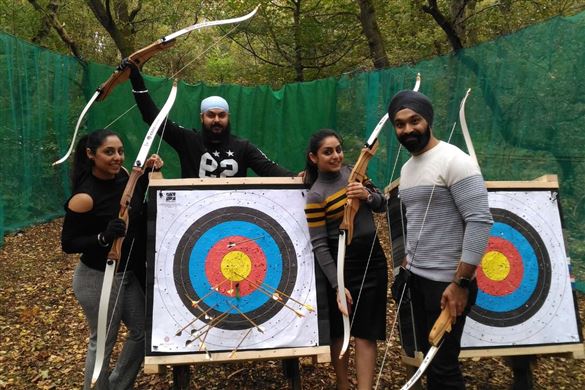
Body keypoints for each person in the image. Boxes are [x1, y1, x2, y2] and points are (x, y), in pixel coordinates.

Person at [387, 90, 493, 389]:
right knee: (430, 365)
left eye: (414, 120)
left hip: (448, 284)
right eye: (399, 124)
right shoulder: (408, 169)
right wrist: (410, 258)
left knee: (443, 368)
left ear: (427, 120)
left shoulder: (455, 161)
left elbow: (479, 220)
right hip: (418, 280)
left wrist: (461, 283)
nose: (407, 129)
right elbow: (418, 219)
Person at [61, 129, 163, 389]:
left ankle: (118, 385)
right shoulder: (84, 197)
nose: (117, 157)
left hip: (126, 276)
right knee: (104, 341)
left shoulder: (126, 177)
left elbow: (135, 201)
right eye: (109, 152)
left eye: (119, 151)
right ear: (90, 154)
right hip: (97, 278)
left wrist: (149, 174)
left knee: (143, 333)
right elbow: (69, 243)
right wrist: (103, 237)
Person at [303, 129, 388, 390]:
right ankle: (343, 385)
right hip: (341, 263)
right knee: (341, 331)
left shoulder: (355, 172)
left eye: (338, 149)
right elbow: (319, 243)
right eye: (328, 152)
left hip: (372, 258)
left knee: (366, 331)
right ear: (314, 157)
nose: (336, 155)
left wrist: (367, 196)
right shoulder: (316, 195)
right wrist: (337, 284)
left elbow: (382, 204)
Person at [122, 60, 294, 178]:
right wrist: (136, 79)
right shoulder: (187, 140)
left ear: (228, 117)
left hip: (232, 219)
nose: (217, 120)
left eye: (222, 115)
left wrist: (297, 178)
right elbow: (153, 118)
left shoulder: (243, 147)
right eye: (211, 115)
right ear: (202, 117)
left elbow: (269, 168)